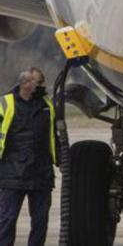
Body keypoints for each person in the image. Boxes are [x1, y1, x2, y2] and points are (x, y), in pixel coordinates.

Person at [0, 68, 57, 246]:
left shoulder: (47, 106)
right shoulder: (6, 104)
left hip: (41, 174)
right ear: (26, 84)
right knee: (7, 220)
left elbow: (55, 136)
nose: (43, 87)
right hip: (13, 174)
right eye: (39, 83)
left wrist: (62, 160)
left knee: (40, 223)